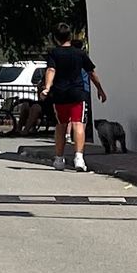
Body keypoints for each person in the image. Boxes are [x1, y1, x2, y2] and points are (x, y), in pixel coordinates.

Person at [40, 26, 105, 172]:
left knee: (61, 125)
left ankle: (59, 159)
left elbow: (51, 70)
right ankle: (79, 158)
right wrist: (100, 89)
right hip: (77, 93)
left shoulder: (53, 53)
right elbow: (91, 72)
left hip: (59, 94)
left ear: (56, 38)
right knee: (78, 124)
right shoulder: (79, 53)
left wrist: (48, 87)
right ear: (70, 36)